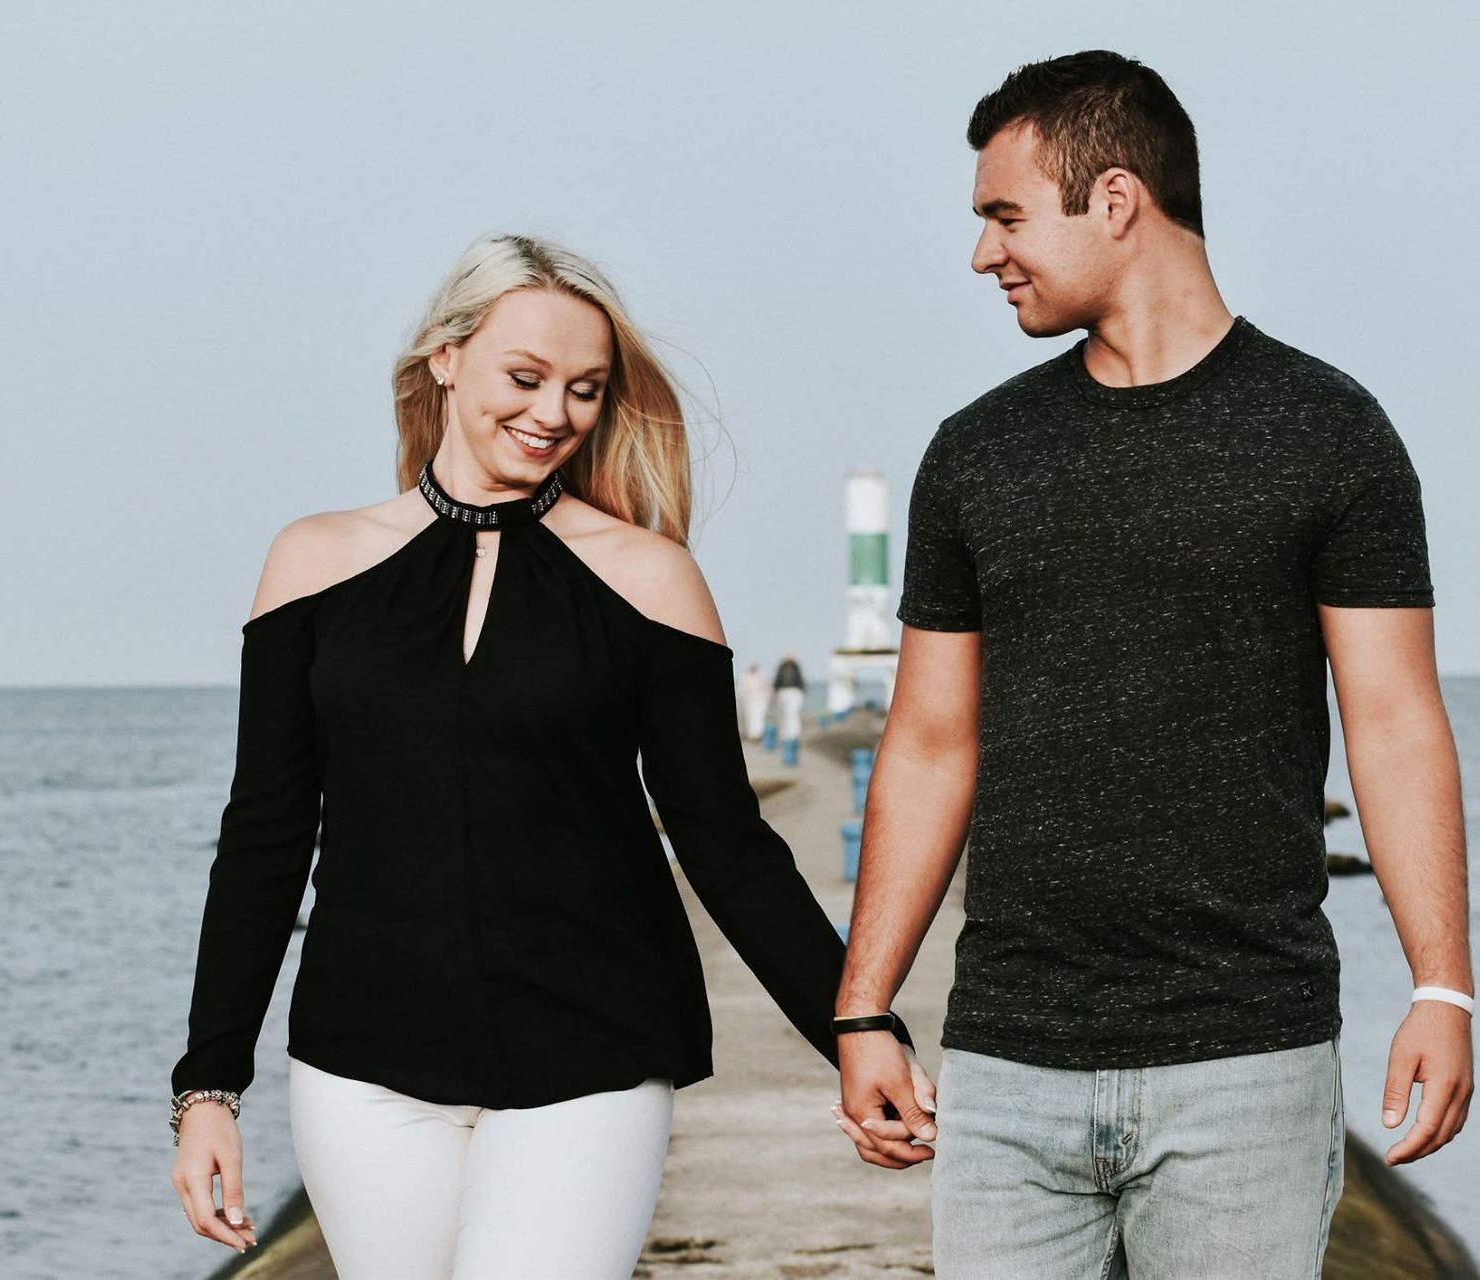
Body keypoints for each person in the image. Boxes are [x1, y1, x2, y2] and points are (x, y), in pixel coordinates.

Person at [166, 232, 923, 1278]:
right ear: (445, 356)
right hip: (364, 1068)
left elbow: (725, 840)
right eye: (525, 377)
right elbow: (265, 836)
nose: (553, 412)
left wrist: (855, 1020)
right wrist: (207, 1087)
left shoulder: (649, 577)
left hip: (594, 1057)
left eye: (583, 388)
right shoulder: (312, 561)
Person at [831, 52, 1475, 1278]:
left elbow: (1393, 720)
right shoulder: (976, 457)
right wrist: (866, 1003)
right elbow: (925, 742)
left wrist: (1444, 987)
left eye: (1004, 215)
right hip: (1011, 1061)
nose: (984, 254)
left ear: (1115, 200)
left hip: (1247, 1062)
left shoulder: (1331, 433)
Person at [772, 652, 807, 765]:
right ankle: (788, 734)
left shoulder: (796, 668)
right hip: (785, 693)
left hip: (794, 693)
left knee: (793, 715)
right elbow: (777, 681)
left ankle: (793, 734)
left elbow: (801, 681)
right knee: (786, 716)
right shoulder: (782, 668)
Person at [736, 661, 771, 740]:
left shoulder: (761, 676)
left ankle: (758, 734)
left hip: (759, 701)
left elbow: (766, 688)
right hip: (749, 701)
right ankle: (752, 735)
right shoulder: (745, 677)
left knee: (758, 717)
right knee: (750, 718)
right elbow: (741, 690)